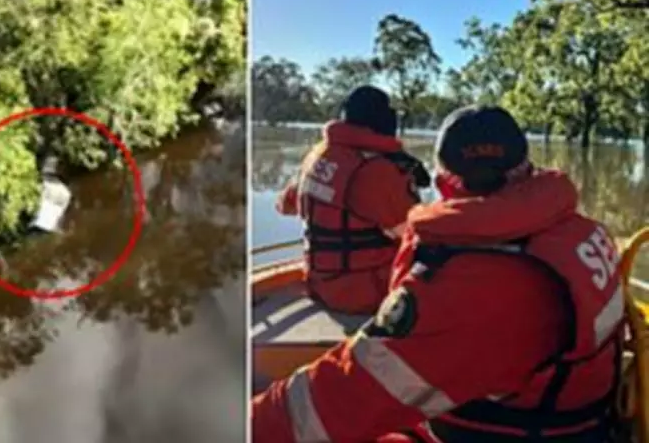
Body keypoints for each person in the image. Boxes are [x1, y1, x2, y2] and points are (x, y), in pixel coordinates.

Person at [253, 104, 626, 442]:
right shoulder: (583, 231)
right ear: (527, 168)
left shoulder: (471, 288)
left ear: (445, 183)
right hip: (570, 422)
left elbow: (333, 402)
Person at [275, 85, 430, 314]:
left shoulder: (318, 154)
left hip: (318, 283)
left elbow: (284, 205)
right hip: (365, 291)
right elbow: (414, 235)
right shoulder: (376, 170)